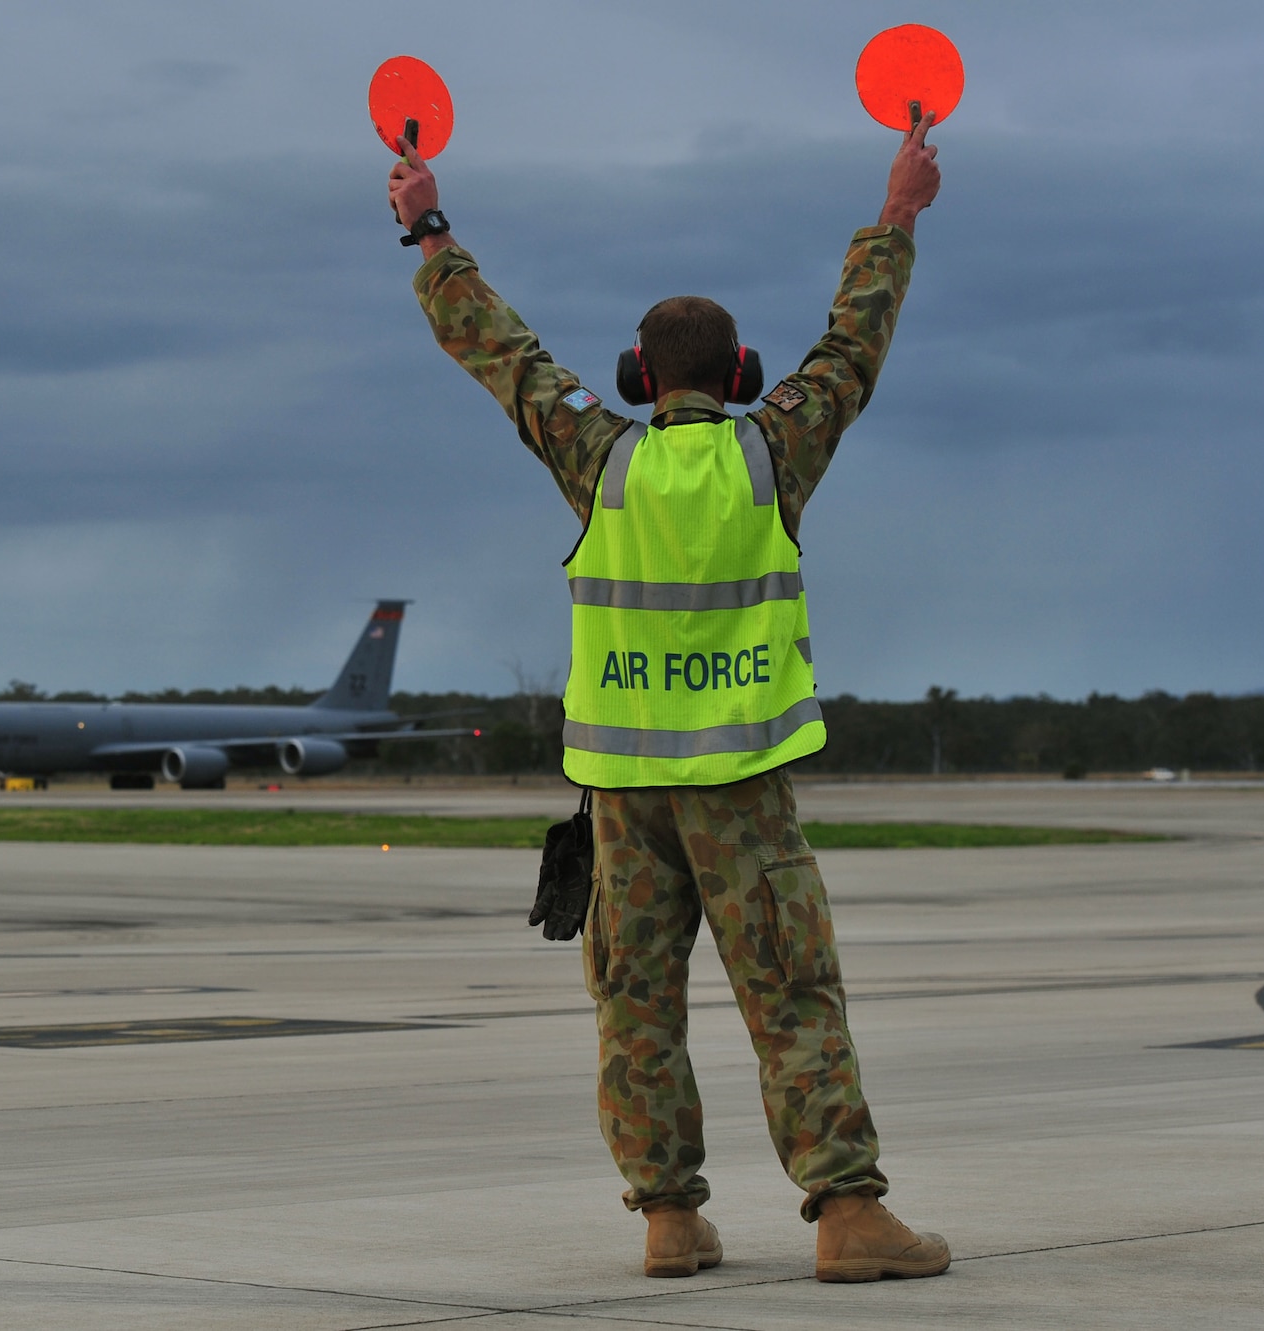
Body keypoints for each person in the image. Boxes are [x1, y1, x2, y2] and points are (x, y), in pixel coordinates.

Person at [388, 115, 949, 1283]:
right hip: (738, 786)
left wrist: (427, 224)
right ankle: (844, 1212)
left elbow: (495, 348)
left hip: (621, 790)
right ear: (738, 377)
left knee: (636, 999)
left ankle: (666, 1217)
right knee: (788, 990)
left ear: (640, 379)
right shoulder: (770, 451)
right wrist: (895, 210)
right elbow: (852, 342)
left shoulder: (599, 457)